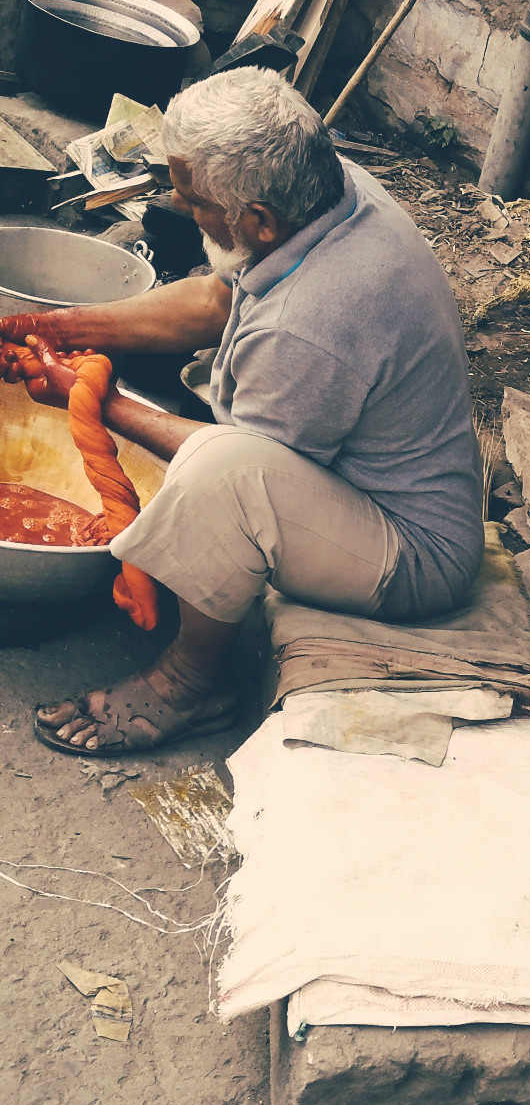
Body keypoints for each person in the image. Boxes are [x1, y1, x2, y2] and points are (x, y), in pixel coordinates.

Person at [1, 68, 483, 755]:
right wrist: (67, 328)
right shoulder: (327, 190)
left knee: (217, 475)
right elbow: (214, 301)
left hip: (412, 554)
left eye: (190, 198)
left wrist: (102, 403)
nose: (175, 202)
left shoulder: (307, 327)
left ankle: (190, 682)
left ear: (256, 221)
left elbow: (234, 478)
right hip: (380, 480)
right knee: (220, 464)